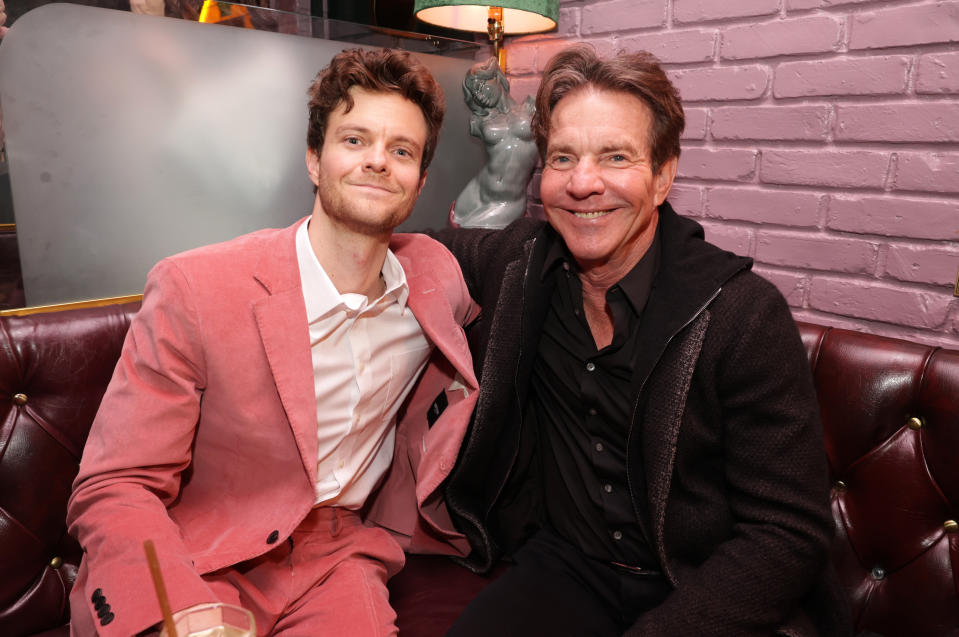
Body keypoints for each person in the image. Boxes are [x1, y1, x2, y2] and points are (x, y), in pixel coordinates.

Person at [437, 45, 849, 636]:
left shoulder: (742, 314)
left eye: (615, 156)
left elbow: (787, 533)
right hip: (567, 567)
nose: (583, 183)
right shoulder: (522, 267)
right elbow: (406, 251)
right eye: (562, 157)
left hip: (702, 585)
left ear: (663, 176)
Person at [67, 48, 479, 637]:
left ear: (420, 183)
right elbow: (116, 484)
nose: (378, 163)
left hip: (338, 557)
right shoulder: (197, 288)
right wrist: (173, 610)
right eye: (355, 140)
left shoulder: (435, 279)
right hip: (199, 552)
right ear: (314, 159)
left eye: (401, 151)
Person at [451, 57, 538, 229]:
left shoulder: (532, 107)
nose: (480, 95)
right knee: (457, 231)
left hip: (508, 201)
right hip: (475, 192)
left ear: (497, 77)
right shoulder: (479, 121)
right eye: (475, 92)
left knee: (471, 236)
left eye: (482, 85)